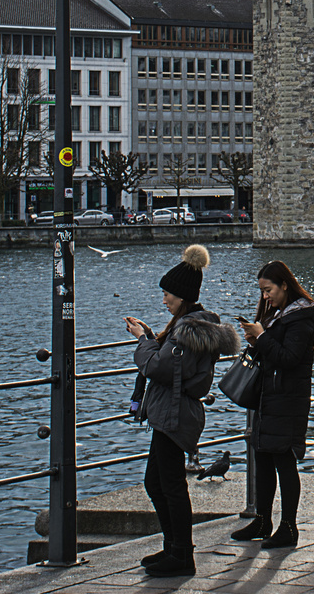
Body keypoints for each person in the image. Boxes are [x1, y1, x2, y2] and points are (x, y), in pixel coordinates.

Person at [126, 245, 240, 577]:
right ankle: (174, 547)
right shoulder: (189, 326)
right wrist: (150, 336)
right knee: (156, 482)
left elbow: (158, 368)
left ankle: (182, 556)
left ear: (182, 296)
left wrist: (142, 341)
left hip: (173, 413)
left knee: (170, 484)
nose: (164, 300)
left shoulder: (189, 331)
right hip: (170, 411)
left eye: (168, 294)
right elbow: (170, 363)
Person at [233, 261, 314, 549]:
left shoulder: (302, 316)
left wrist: (264, 336)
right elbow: (273, 353)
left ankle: (289, 527)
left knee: (284, 460)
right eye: (261, 291)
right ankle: (263, 519)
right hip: (270, 396)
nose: (265, 296)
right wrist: (255, 340)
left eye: (268, 290)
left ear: (284, 285)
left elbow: (290, 357)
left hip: (288, 398)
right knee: (264, 458)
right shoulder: (280, 313)